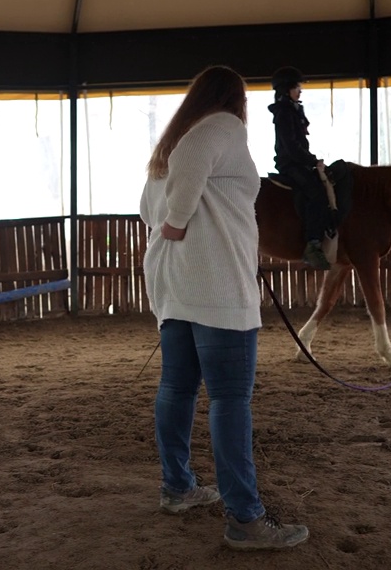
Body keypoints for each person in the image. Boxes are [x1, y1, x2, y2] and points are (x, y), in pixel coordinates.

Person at [139, 65, 310, 551]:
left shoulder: (173, 142)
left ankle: (177, 487)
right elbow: (169, 207)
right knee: (230, 398)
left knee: (177, 387)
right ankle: (245, 517)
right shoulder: (222, 127)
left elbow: (144, 209)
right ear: (235, 99)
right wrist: (178, 220)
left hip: (175, 286)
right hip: (216, 287)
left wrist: (171, 221)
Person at [267, 66, 332, 270]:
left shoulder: (294, 110)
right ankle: (312, 244)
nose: (300, 90)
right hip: (291, 164)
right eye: (297, 87)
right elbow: (291, 147)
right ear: (286, 89)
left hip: (299, 162)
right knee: (317, 193)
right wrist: (312, 161)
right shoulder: (284, 113)